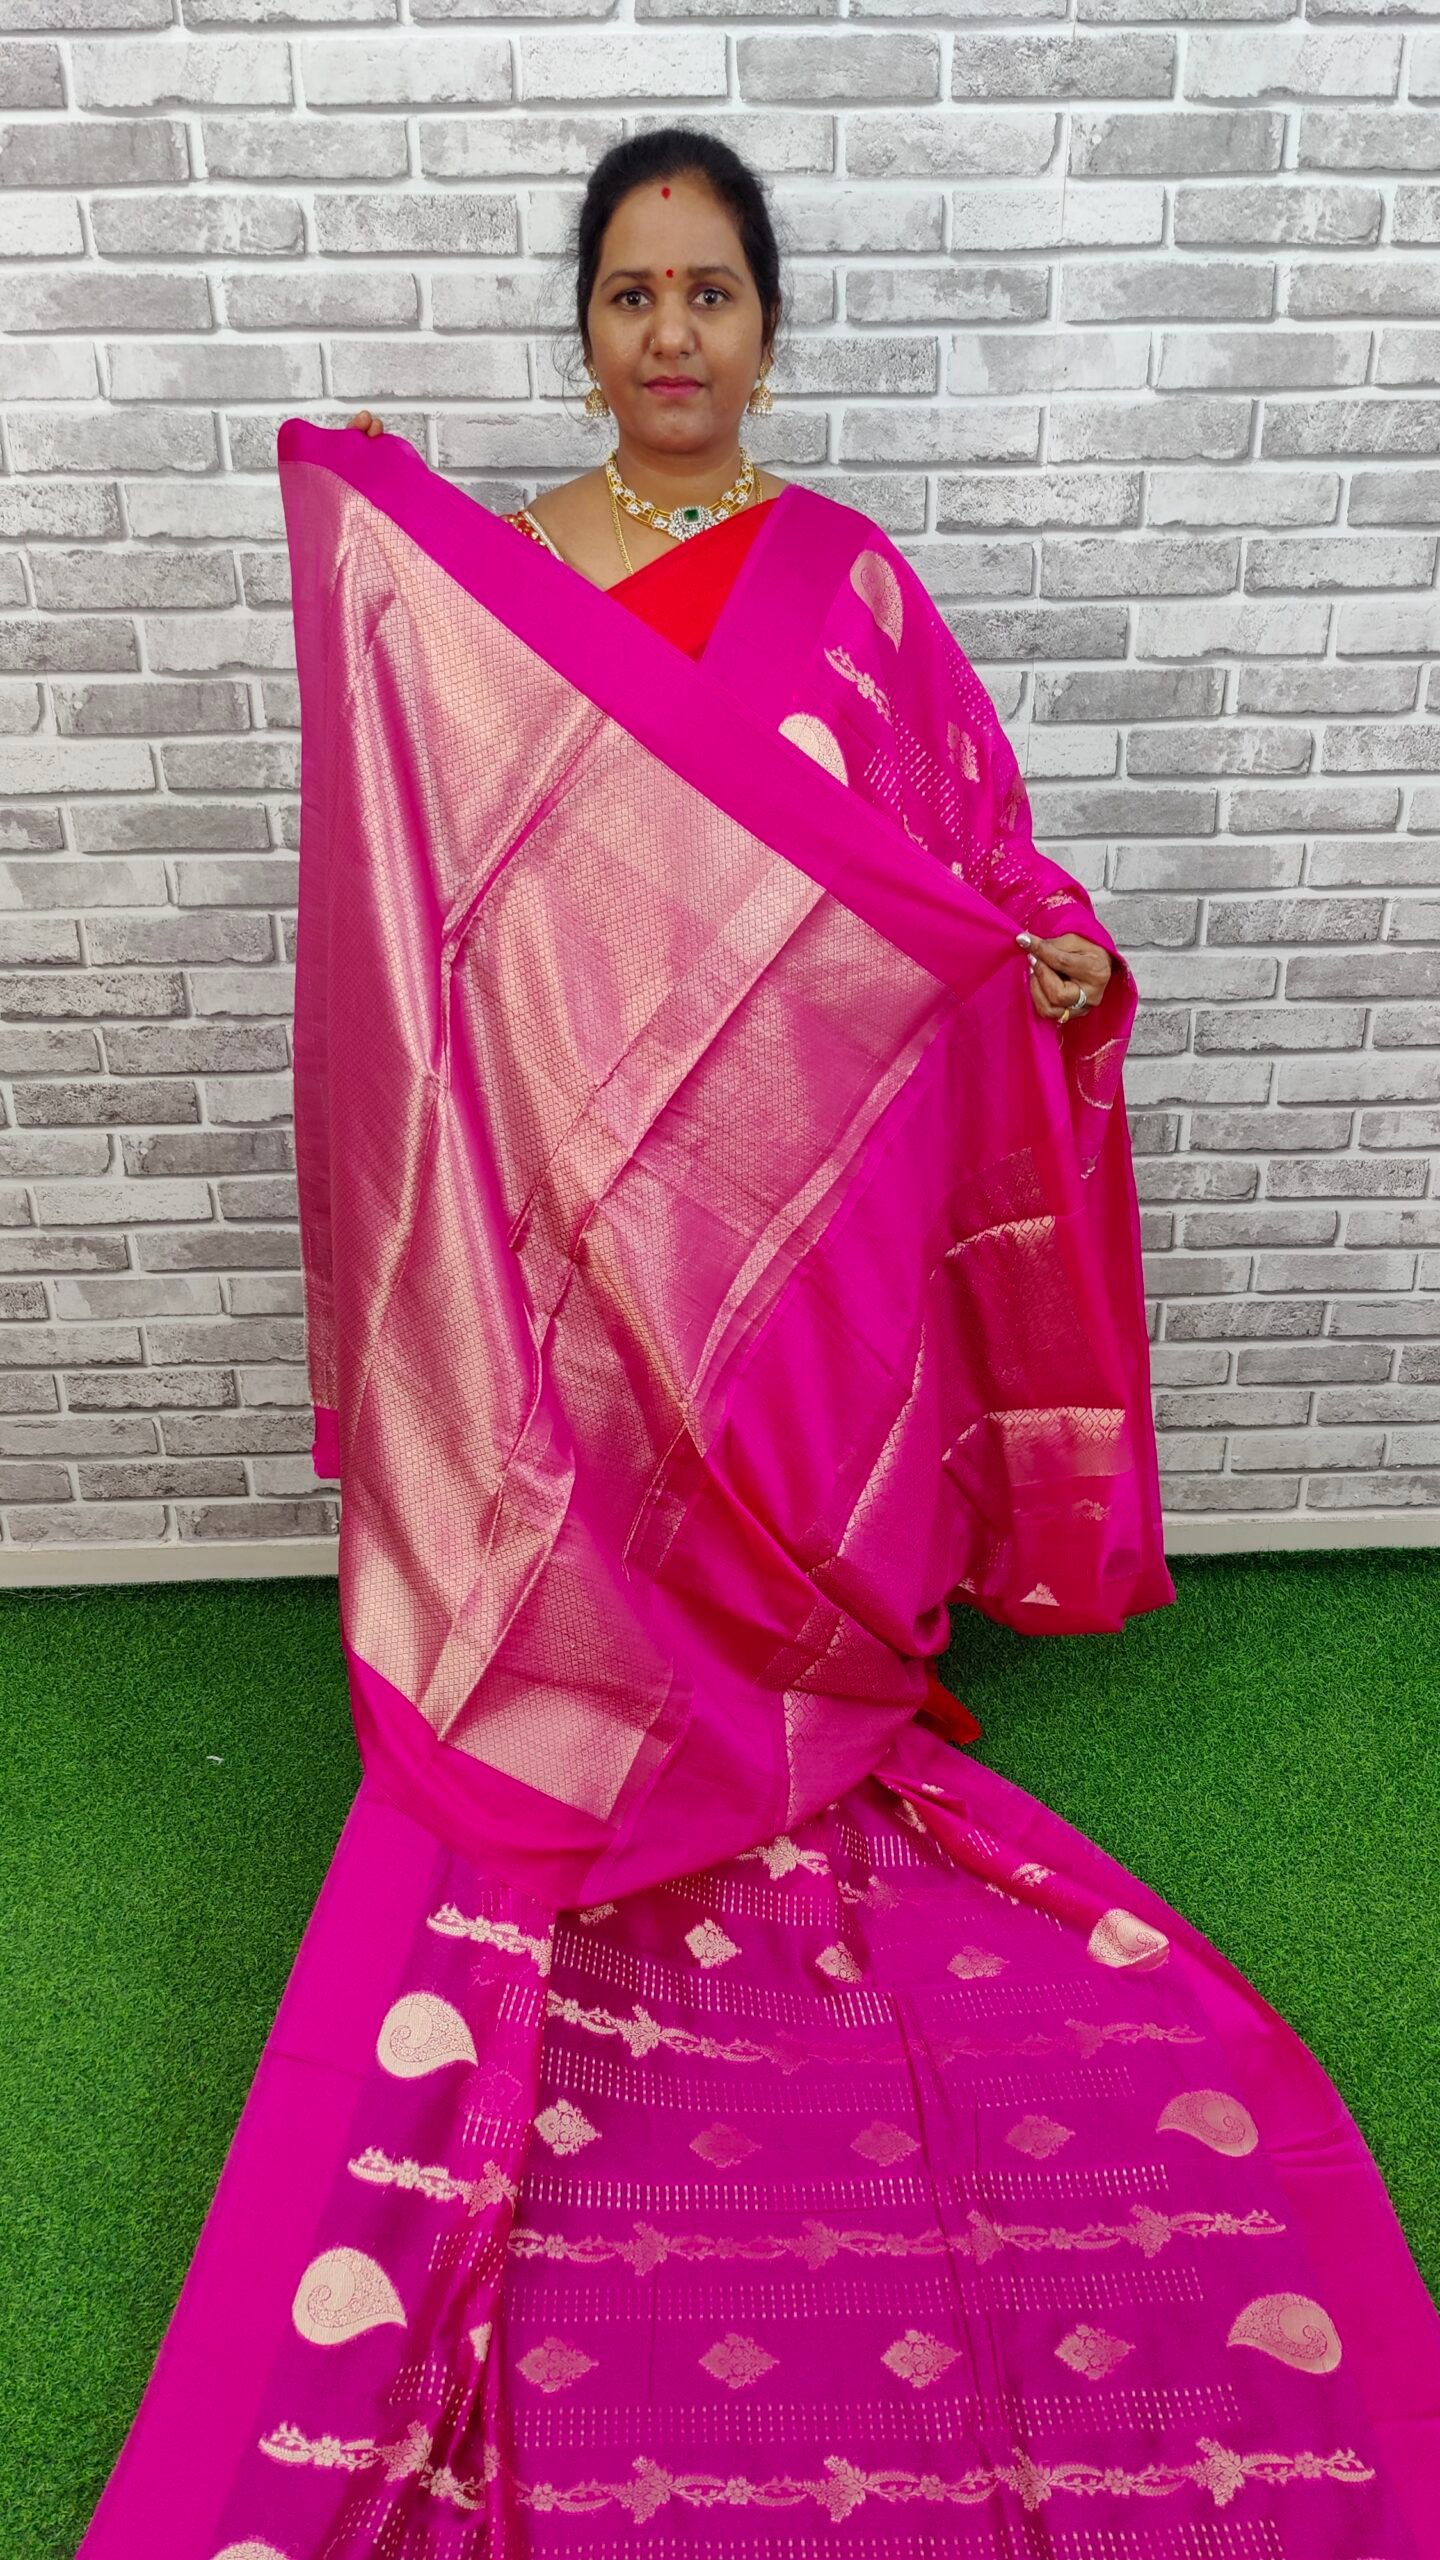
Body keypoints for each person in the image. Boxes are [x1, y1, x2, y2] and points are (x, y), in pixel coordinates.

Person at [79, 129, 1440, 2560]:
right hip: (579, 1226)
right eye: (632, 293)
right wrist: (396, 576)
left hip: (804, 1205)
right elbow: (454, 893)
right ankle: (615, 1653)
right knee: (587, 1520)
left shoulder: (854, 592)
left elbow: (966, 845)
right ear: (584, 328)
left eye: (710, 292)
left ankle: (787, 1670)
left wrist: (1044, 944)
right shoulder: (507, 593)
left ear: (770, 326)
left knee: (803, 1507)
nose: (672, 334)